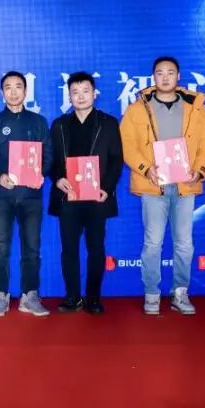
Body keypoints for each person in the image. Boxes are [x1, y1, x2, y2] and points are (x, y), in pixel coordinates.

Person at [120, 56, 205, 315]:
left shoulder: (195, 107)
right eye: (160, 72)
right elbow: (127, 144)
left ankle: (180, 293)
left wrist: (200, 171)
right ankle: (151, 294)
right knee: (153, 242)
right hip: (153, 185)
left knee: (184, 242)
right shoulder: (137, 109)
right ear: (153, 77)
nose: (165, 77)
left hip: (185, 184)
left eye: (170, 72)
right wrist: (145, 168)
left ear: (178, 76)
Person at [48, 71, 123, 314]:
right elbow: (50, 160)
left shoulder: (108, 123)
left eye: (85, 91)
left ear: (94, 94)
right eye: (75, 92)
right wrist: (57, 178)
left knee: (96, 248)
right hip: (68, 197)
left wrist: (107, 189)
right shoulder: (59, 125)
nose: (80, 96)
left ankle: (93, 298)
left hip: (96, 197)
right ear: (69, 96)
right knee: (69, 249)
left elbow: (116, 160)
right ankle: (73, 297)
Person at [0, 71, 52, 317]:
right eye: (8, 87)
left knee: (32, 247)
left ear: (25, 91)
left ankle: (29, 295)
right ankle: (0, 295)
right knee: (1, 246)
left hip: (31, 195)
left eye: (18, 86)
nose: (13, 92)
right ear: (2, 93)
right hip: (2, 195)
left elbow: (48, 155)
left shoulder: (38, 122)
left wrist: (41, 173)